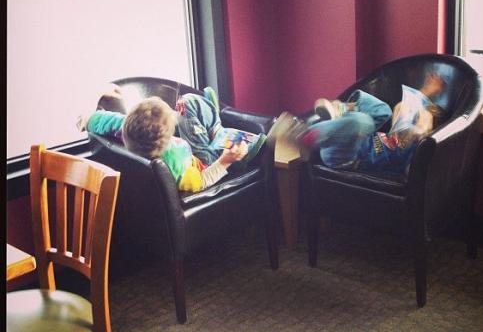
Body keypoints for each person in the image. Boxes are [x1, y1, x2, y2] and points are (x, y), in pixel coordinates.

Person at [78, 85, 266, 193]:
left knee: (185, 103)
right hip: (204, 162)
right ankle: (215, 129)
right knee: (190, 105)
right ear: (168, 137)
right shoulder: (177, 165)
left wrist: (86, 119)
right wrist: (226, 161)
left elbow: (97, 120)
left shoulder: (125, 128)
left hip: (189, 148)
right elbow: (202, 180)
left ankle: (211, 123)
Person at [267, 73, 445, 176]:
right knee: (384, 111)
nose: (408, 115)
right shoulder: (398, 131)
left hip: (347, 157)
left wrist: (423, 123)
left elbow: (419, 132)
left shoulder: (414, 147)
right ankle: (341, 109)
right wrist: (426, 93)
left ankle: (302, 138)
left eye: (415, 117)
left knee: (363, 122)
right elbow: (402, 107)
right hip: (349, 138)